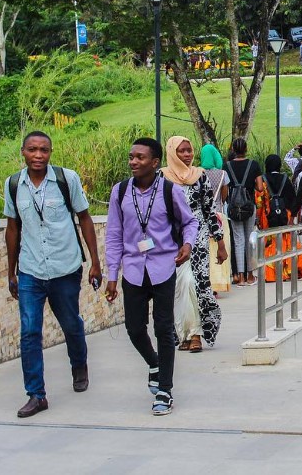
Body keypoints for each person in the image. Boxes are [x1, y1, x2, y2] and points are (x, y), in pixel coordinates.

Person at [4, 131, 101, 418]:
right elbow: (12, 228)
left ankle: (79, 364)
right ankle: (36, 394)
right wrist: (11, 272)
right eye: (32, 150)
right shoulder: (13, 185)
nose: (38, 155)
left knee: (71, 324)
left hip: (65, 268)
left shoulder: (66, 179)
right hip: (31, 270)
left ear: (50, 152)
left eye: (43, 150)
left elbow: (84, 218)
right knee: (30, 332)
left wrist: (95, 262)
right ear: (23, 151)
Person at [105, 137, 198, 416]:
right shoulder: (120, 192)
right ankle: (154, 363)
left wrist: (187, 244)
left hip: (163, 267)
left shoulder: (170, 191)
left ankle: (165, 390)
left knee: (164, 328)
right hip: (133, 269)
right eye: (131, 156)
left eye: (140, 157)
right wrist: (112, 274)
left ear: (155, 163)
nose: (133, 161)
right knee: (134, 328)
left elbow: (190, 221)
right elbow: (113, 235)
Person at [162, 136, 225, 354]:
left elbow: (209, 210)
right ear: (172, 153)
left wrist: (220, 242)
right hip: (170, 241)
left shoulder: (200, 177)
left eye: (189, 151)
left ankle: (196, 333)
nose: (187, 155)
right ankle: (183, 333)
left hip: (198, 240)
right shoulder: (162, 179)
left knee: (196, 284)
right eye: (182, 151)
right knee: (179, 287)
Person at [224, 138, 264, 286]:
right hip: (249, 205)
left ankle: (239, 277)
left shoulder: (227, 166)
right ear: (246, 149)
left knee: (238, 240)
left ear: (233, 149)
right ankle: (250, 275)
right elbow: (260, 188)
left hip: (233, 207)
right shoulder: (253, 165)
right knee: (249, 239)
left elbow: (225, 188)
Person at [200, 143, 232, 294]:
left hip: (202, 217)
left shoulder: (197, 173)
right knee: (219, 249)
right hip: (218, 215)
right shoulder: (222, 174)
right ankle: (218, 284)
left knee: (205, 250)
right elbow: (224, 195)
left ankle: (206, 282)